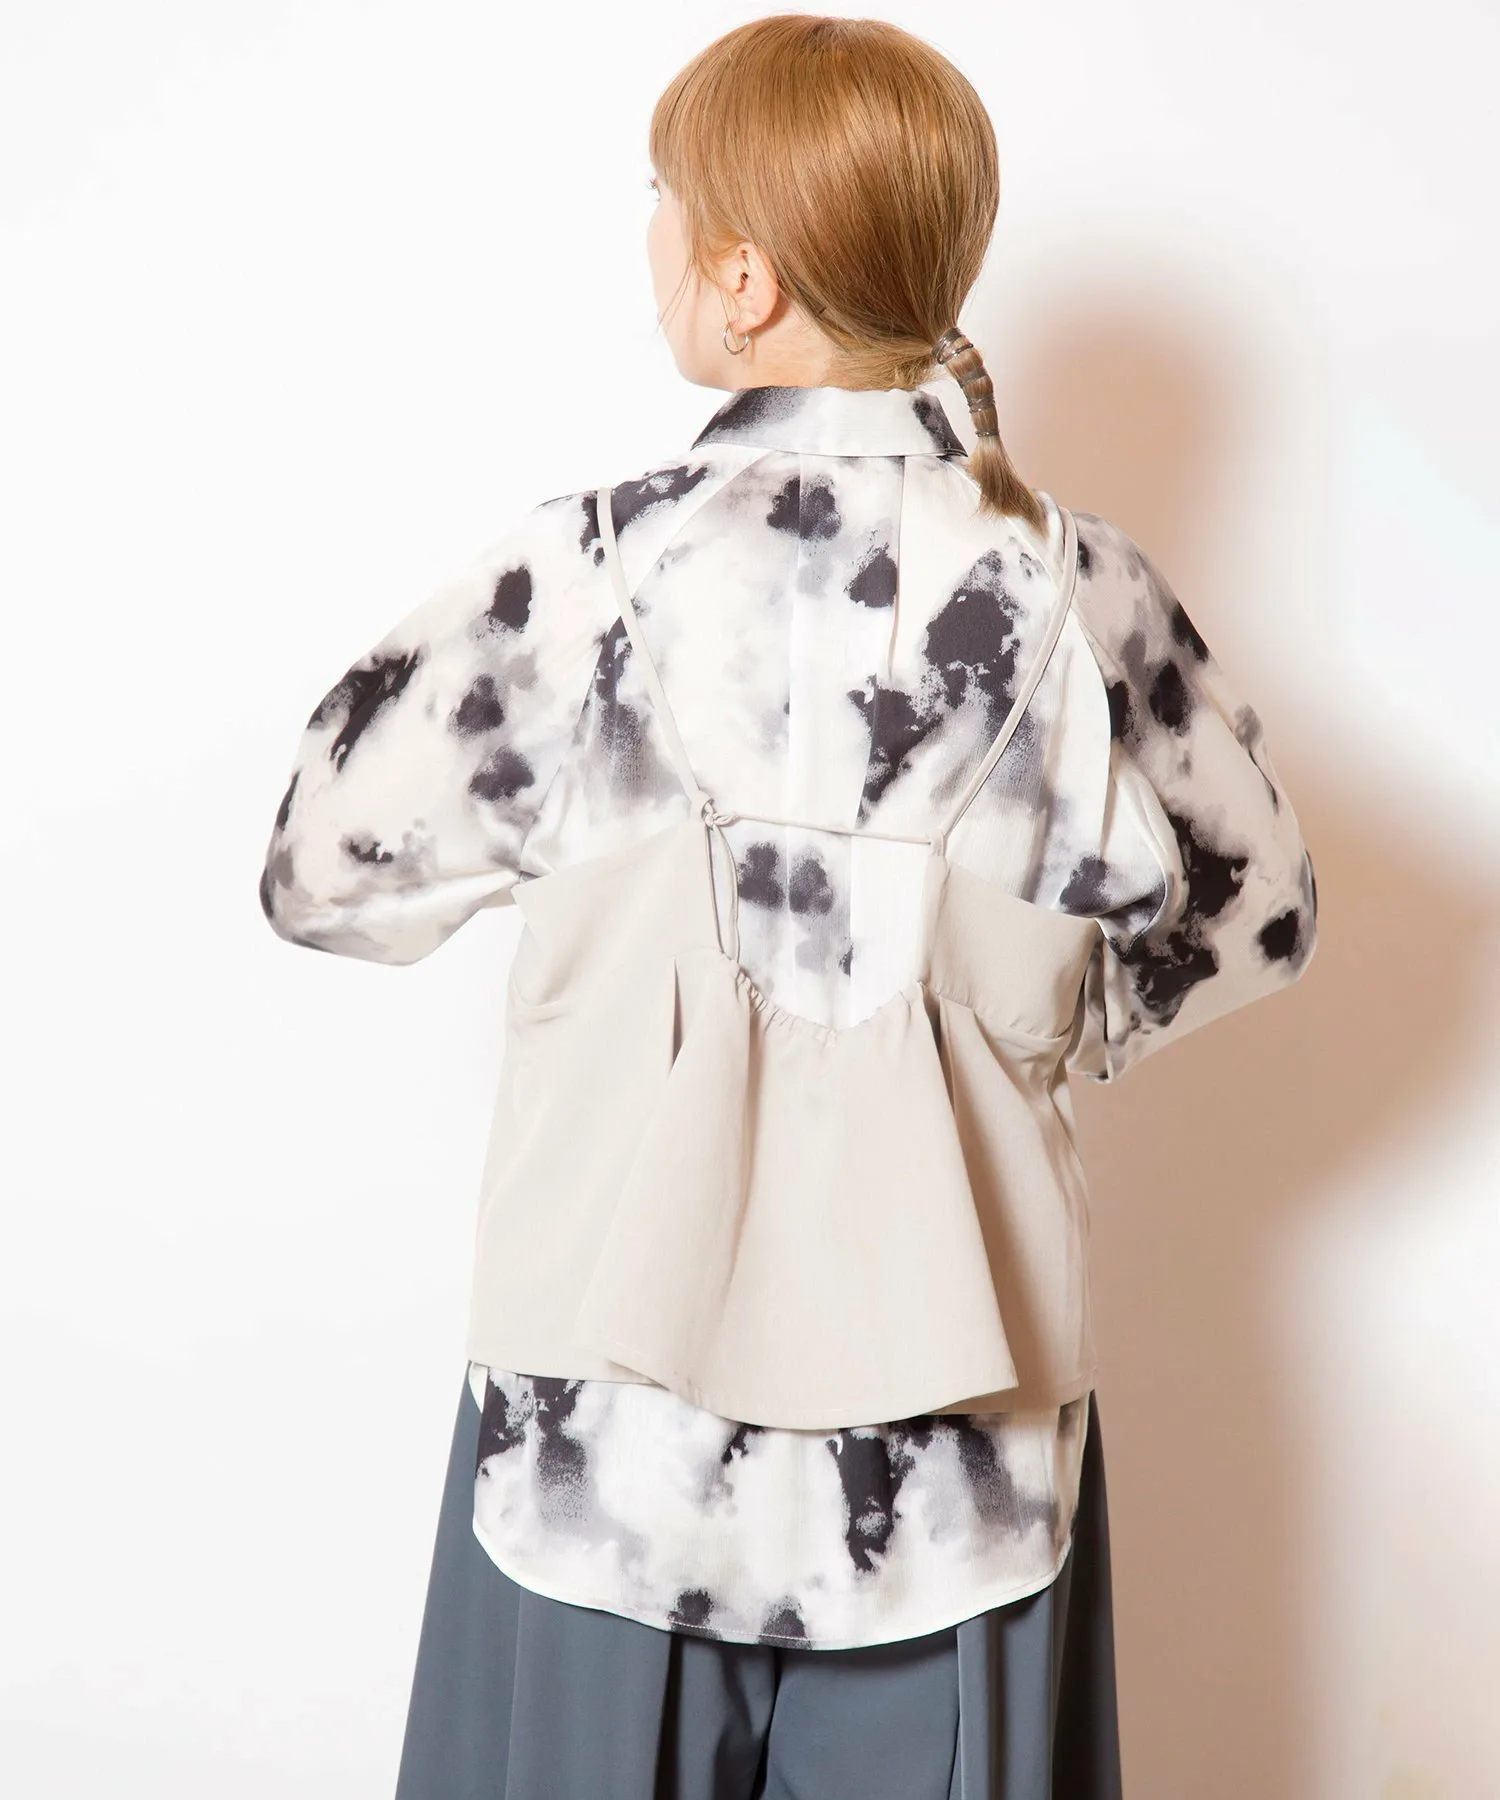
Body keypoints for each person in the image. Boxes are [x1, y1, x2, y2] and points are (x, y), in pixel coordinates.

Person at [258, 15, 1317, 1799]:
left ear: (741, 280)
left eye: (662, 202)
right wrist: (1041, 1022)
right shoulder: (1081, 592)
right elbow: (1260, 919)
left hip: (603, 1456)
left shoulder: (582, 577)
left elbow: (317, 871)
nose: (651, 237)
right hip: (962, 1468)